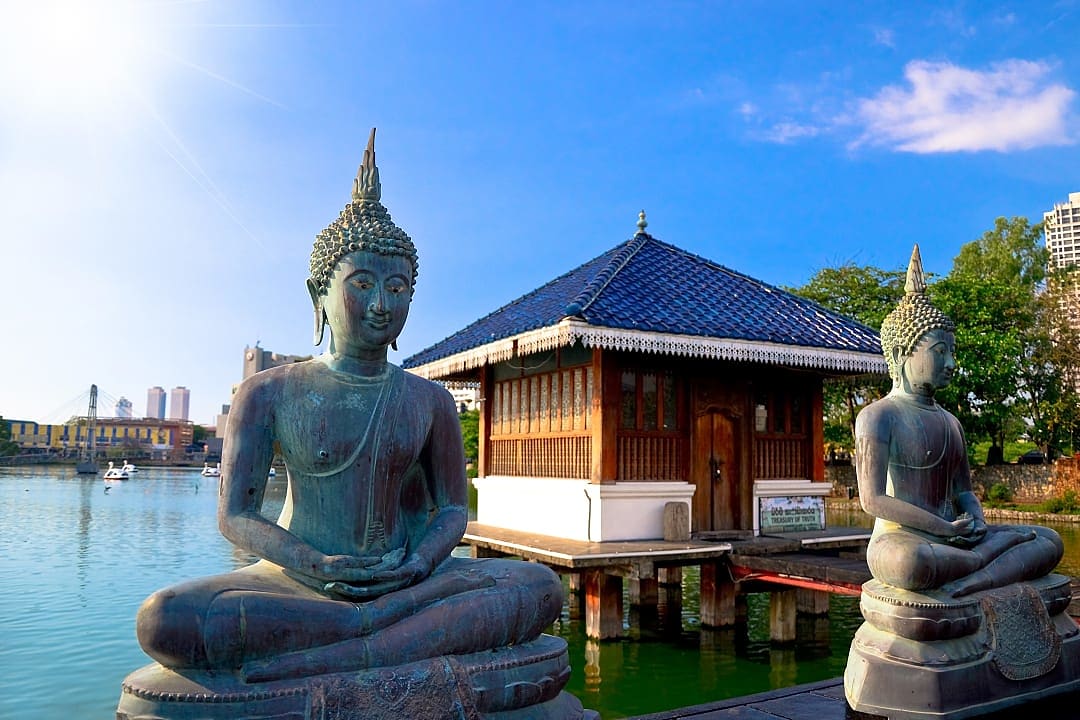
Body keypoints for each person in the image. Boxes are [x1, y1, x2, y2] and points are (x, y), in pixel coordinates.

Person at [135, 130, 562, 683]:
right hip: (298, 583)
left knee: (537, 587)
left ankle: (349, 645)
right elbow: (236, 515)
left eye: (400, 287)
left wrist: (419, 563)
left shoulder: (429, 399)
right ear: (320, 295)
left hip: (408, 580)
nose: (383, 304)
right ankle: (388, 638)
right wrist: (313, 563)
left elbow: (453, 510)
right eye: (362, 283)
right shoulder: (267, 391)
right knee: (167, 620)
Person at [856, 246, 1062, 598]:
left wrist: (976, 521)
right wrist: (944, 528)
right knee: (910, 564)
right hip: (903, 538)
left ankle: (974, 578)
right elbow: (873, 500)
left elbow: (963, 491)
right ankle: (989, 561)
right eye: (940, 352)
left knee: (1049, 540)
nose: (951, 362)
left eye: (953, 352)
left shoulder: (951, 422)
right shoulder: (878, 416)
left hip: (956, 536)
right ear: (899, 354)